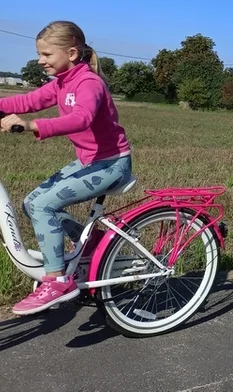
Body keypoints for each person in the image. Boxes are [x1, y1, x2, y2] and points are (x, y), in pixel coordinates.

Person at [0, 21, 133, 315]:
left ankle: (58, 280)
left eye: (46, 54)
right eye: (40, 54)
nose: (40, 60)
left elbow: (81, 118)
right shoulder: (61, 81)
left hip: (111, 164)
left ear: (72, 52)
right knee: (32, 203)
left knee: (44, 206)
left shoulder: (88, 83)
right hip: (90, 160)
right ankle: (93, 242)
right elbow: (30, 99)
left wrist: (33, 125)